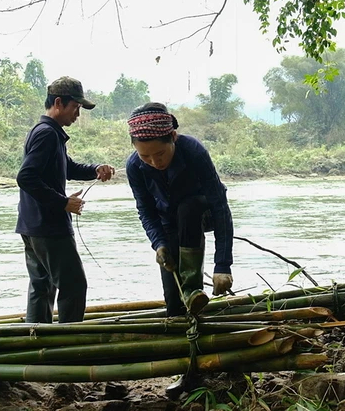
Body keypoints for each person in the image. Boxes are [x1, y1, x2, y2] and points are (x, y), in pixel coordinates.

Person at [16, 76, 115, 324]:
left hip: (32, 226)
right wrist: (63, 203)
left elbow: (66, 168)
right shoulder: (47, 134)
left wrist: (95, 169)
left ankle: (36, 340)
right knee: (74, 286)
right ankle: (69, 341)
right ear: (58, 103)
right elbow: (26, 177)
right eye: (76, 107)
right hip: (49, 227)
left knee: (42, 287)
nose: (78, 114)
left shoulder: (48, 133)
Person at [125, 102, 234, 317]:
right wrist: (159, 243)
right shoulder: (134, 167)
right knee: (173, 301)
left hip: (201, 212)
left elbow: (220, 206)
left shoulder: (193, 151)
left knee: (188, 208)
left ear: (173, 137)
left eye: (160, 154)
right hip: (170, 224)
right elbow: (146, 211)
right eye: (145, 157)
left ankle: (193, 288)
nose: (155, 162)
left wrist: (222, 265)